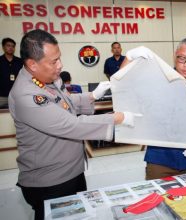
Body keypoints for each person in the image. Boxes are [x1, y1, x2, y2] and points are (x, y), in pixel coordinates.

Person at [8, 29, 139, 220]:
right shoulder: (27, 95)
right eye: (54, 61)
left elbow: (65, 102)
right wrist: (117, 118)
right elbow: (71, 126)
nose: (60, 65)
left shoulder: (47, 79)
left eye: (59, 58)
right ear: (32, 64)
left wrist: (92, 95)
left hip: (71, 172)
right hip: (50, 182)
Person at [121, 38, 186, 180]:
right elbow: (123, 82)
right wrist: (130, 56)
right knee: (159, 200)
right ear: (175, 56)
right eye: (182, 59)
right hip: (159, 161)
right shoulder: (156, 81)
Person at [0, 38, 23, 108]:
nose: (11, 48)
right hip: (1, 96)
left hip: (17, 96)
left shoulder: (20, 61)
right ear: (3, 47)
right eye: (8, 45)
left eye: (13, 46)